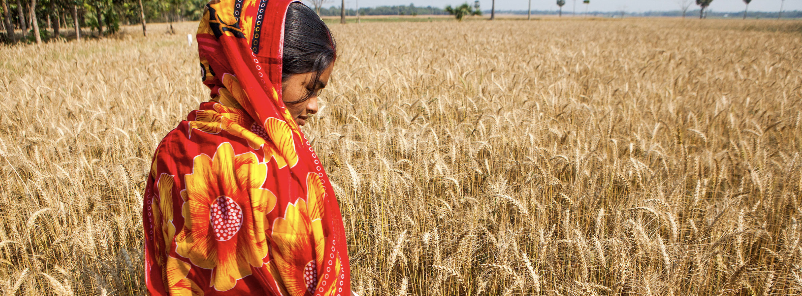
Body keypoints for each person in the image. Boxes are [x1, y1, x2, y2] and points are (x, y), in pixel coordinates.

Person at [142, 1, 351, 295]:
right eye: (309, 87)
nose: (315, 105)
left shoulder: (173, 148)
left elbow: (164, 262)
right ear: (266, 73)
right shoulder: (282, 171)